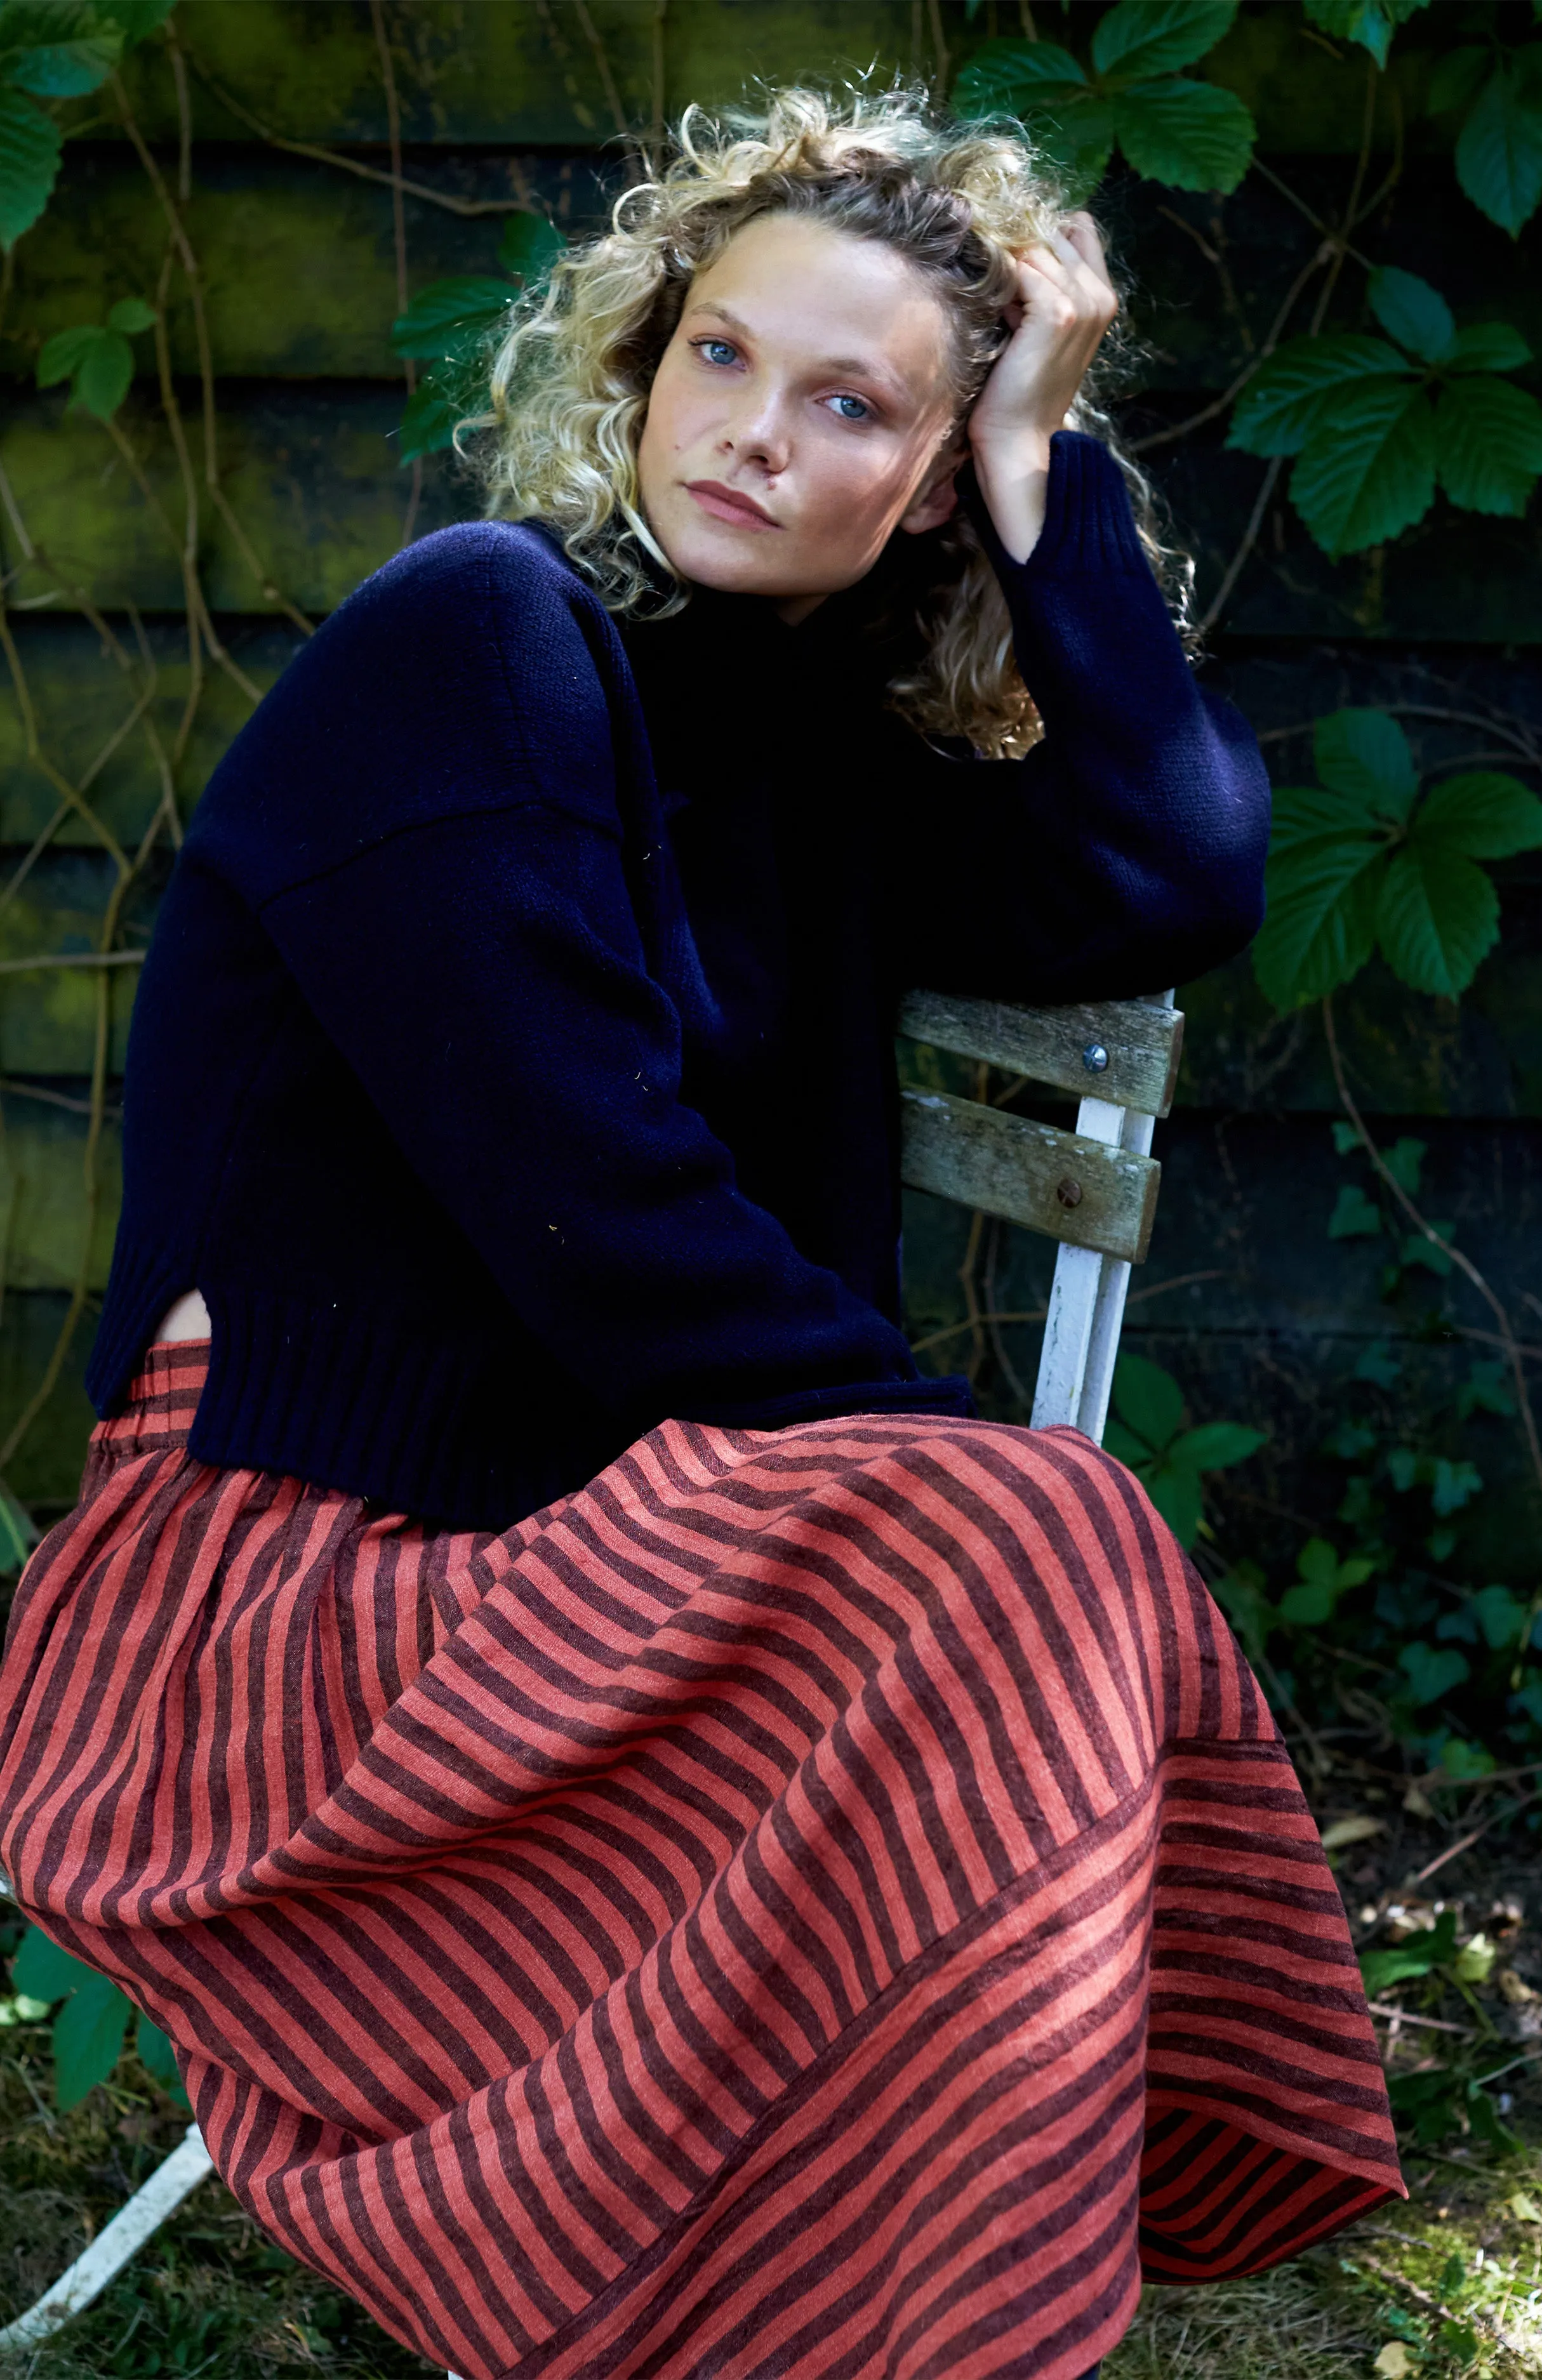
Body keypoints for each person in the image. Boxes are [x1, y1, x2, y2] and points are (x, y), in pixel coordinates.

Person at [0, 84, 1399, 2380]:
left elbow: (1174, 880)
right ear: (643, 365)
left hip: (614, 1548)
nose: (748, 432)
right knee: (1026, 1544)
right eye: (719, 357)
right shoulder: (475, 639)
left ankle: (877, 2319)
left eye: (851, 402)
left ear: (931, 479)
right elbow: (607, 1235)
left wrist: (1057, 474)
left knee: (1020, 1548)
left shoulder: (824, 740)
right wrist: (966, 1492)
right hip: (286, 1600)